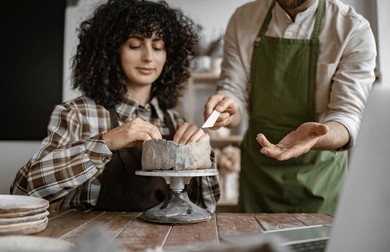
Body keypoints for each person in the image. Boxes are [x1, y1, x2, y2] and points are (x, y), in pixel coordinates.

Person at [11, 0, 219, 212]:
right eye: (135, 46)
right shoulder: (76, 114)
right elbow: (23, 192)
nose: (148, 57)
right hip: (89, 242)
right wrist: (106, 143)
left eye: (157, 47)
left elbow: (205, 207)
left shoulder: (175, 122)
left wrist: (203, 156)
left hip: (160, 243)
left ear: (169, 56)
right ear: (111, 51)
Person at [203, 0, 376, 213]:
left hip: (319, 179)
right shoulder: (243, 19)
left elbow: (349, 115)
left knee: (314, 246)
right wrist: (227, 109)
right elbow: (233, 90)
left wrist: (315, 137)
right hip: (259, 176)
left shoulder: (352, 29)